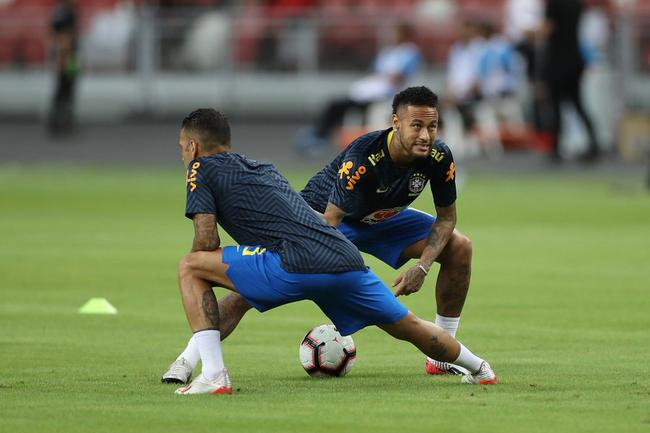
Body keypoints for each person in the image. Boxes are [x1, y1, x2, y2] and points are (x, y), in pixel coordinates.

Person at [166, 108, 496, 394]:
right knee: (409, 325)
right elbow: (322, 219)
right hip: (343, 255)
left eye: (182, 148)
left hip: (300, 258)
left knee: (192, 266)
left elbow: (206, 240)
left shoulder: (199, 168)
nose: (183, 155)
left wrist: (213, 259)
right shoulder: (263, 167)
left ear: (193, 147)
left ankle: (213, 374)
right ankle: (479, 367)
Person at [296, 23, 421, 153]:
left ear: (404, 34)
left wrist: (384, 77)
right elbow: (376, 72)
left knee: (340, 105)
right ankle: (321, 134)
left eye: (395, 32)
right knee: (339, 104)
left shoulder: (410, 53)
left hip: (388, 94)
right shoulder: (388, 52)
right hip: (373, 91)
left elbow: (399, 77)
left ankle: (320, 135)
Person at [543, 0, 600, 162]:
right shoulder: (577, 4)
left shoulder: (554, 4)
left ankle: (555, 148)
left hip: (557, 61)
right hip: (575, 60)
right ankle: (593, 143)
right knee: (579, 104)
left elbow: (548, 28)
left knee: (556, 106)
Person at [47, 0, 80, 136]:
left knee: (67, 89)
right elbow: (63, 36)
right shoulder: (65, 12)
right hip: (66, 56)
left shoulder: (63, 11)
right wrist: (62, 58)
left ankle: (63, 121)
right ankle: (60, 122)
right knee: (64, 89)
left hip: (70, 56)